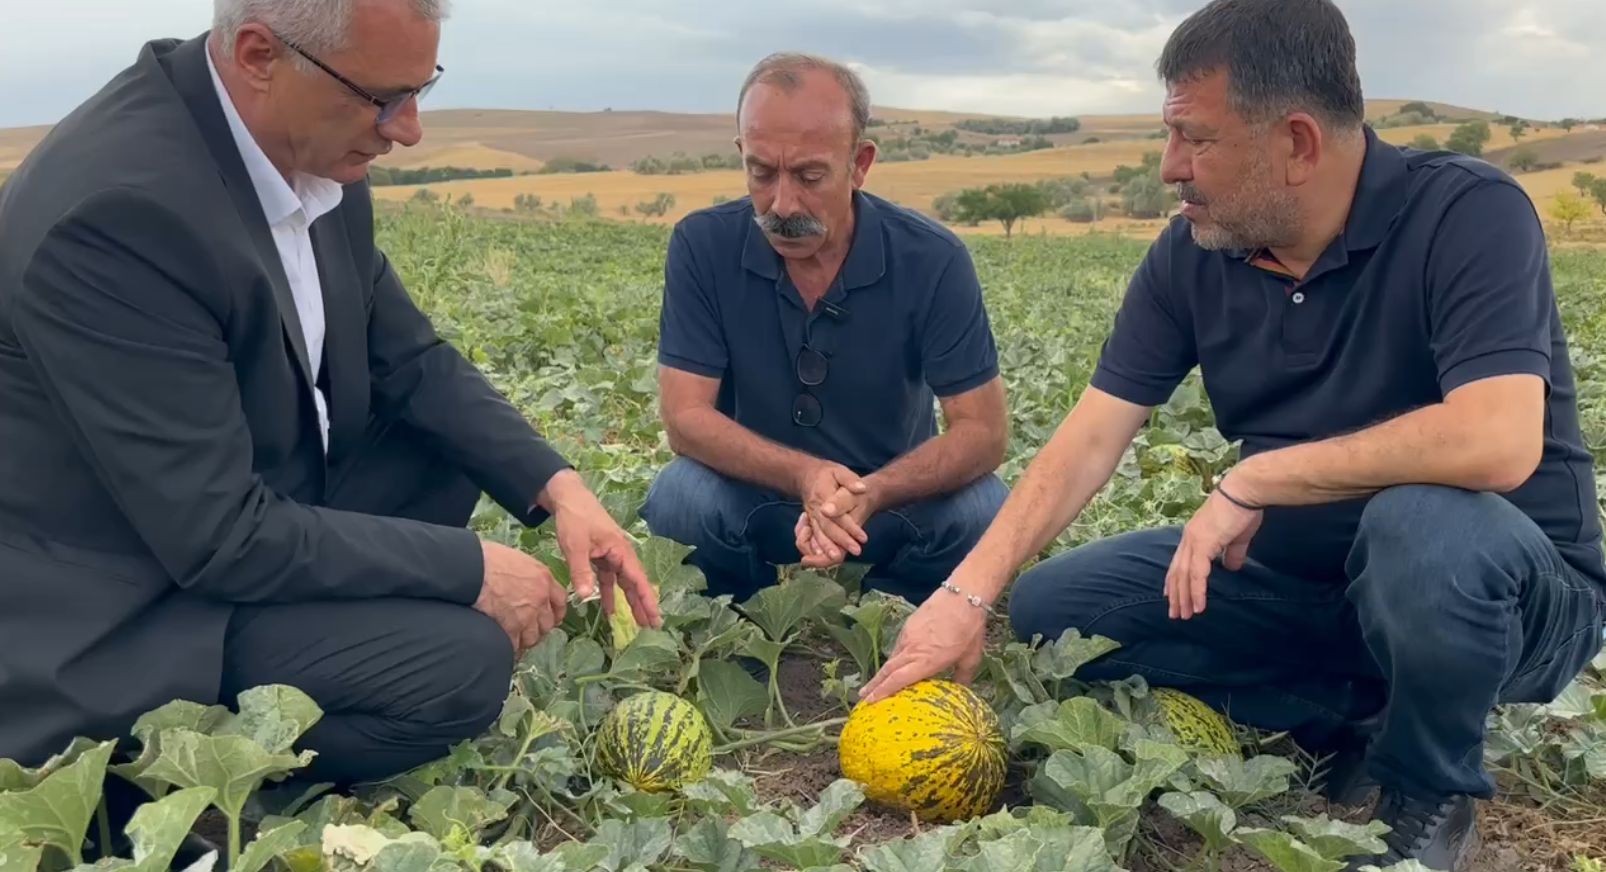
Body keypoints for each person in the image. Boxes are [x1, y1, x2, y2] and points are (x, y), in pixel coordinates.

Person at [859, 0, 1606, 869]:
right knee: (1061, 609)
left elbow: (1496, 440)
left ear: (1296, 142)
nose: (1171, 169)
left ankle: (1425, 789)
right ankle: (1351, 709)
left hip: (1509, 592)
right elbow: (1091, 437)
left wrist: (1260, 479)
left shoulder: (1467, 213)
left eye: (1196, 139)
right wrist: (967, 595)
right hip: (1303, 583)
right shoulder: (1193, 255)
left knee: (1424, 527)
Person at [0, 0, 663, 808]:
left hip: (220, 531)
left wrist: (561, 489)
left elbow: (411, 361)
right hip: (127, 611)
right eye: (384, 98)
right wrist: (469, 570)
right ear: (257, 55)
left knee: (439, 446)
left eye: (422, 90)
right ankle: (170, 794)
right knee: (458, 667)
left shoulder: (308, 147)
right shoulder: (121, 217)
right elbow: (219, 536)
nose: (408, 129)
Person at [639, 52, 1010, 608]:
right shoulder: (702, 245)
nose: (782, 204)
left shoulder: (932, 258)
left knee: (984, 511)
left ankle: (891, 607)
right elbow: (686, 418)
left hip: (886, 506)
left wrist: (873, 491)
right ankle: (742, 612)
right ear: (742, 154)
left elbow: (983, 431)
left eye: (810, 176)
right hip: (758, 500)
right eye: (762, 173)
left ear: (859, 163)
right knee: (679, 499)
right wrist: (805, 474)